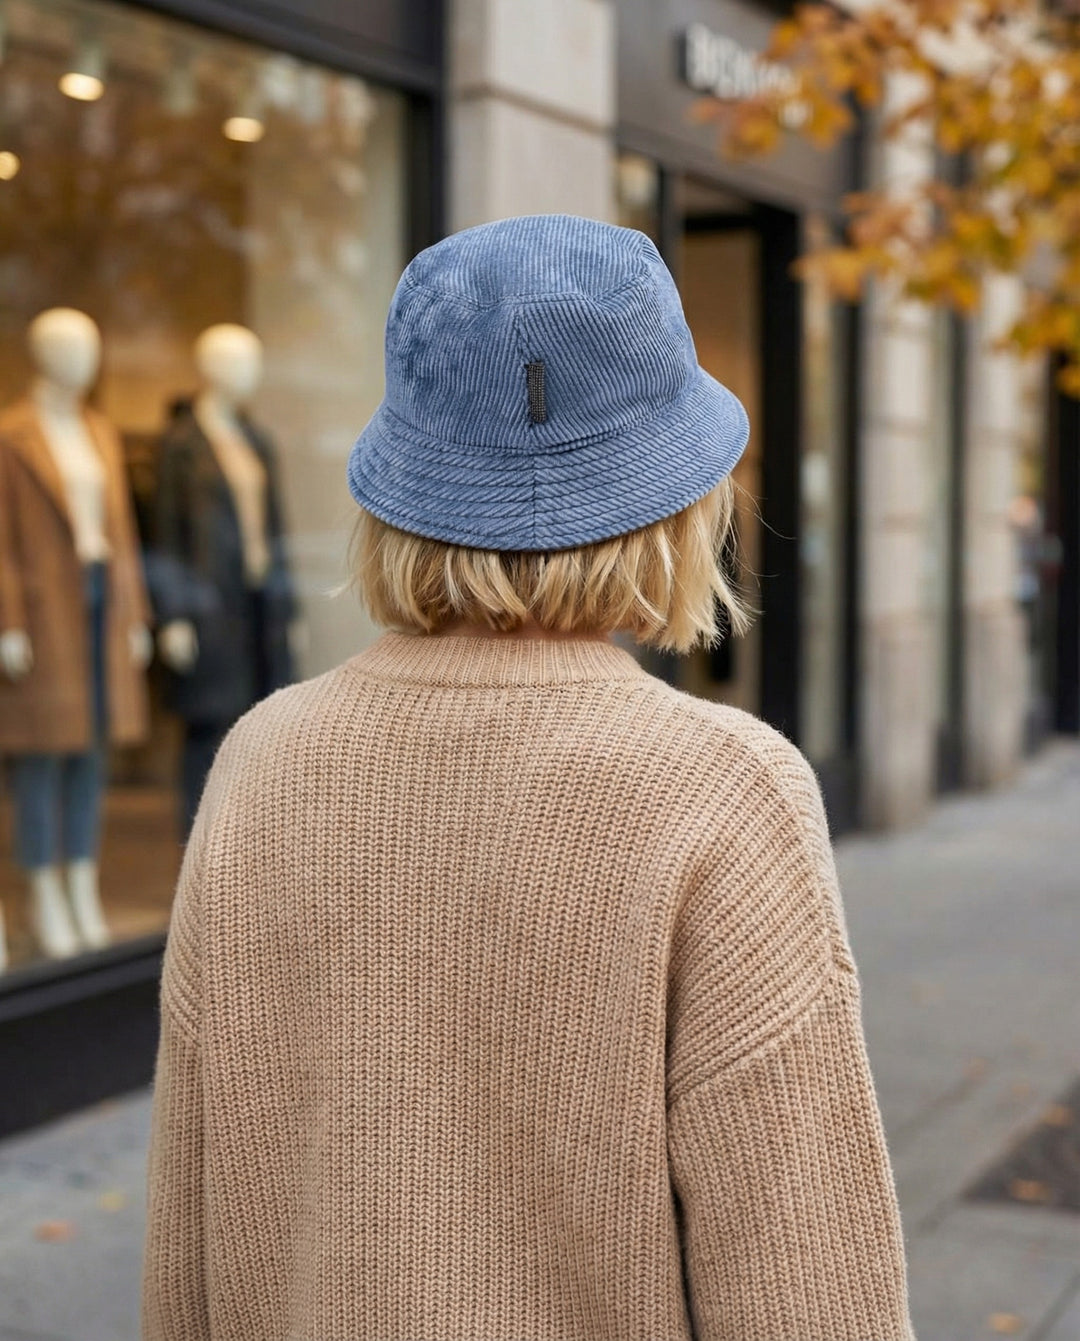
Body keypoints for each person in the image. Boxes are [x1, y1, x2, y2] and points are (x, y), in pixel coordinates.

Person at [142, 214, 915, 1340]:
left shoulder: (263, 756)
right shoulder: (726, 785)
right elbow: (803, 1277)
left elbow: (188, 1224)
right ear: (681, 501)